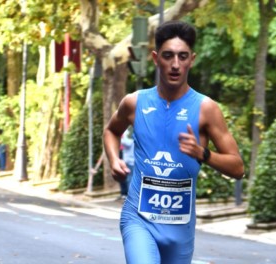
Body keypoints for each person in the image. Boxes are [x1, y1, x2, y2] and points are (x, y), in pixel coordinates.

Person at [103, 20, 244, 264]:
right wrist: (114, 160)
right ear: (156, 58)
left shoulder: (206, 109)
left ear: (192, 59)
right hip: (139, 219)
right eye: (168, 56)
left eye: (182, 56)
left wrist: (203, 154)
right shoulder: (134, 102)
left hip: (180, 228)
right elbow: (111, 131)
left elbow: (238, 168)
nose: (175, 64)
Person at [118, 128, 134, 199]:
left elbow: (128, 143)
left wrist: (119, 139)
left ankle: (130, 196)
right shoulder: (126, 131)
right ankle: (125, 193)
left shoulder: (130, 132)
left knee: (130, 178)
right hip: (126, 159)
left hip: (131, 160)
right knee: (125, 177)